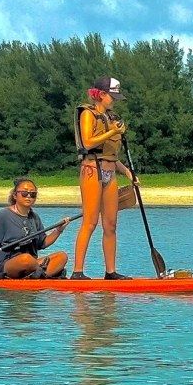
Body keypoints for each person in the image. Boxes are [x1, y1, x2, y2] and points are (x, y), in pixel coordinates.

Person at [71, 76, 137, 280]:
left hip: (110, 170)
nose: (114, 100)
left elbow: (111, 155)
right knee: (90, 222)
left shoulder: (111, 117)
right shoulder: (88, 114)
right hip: (92, 169)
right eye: (112, 96)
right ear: (100, 94)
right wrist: (111, 132)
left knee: (110, 225)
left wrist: (127, 172)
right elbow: (88, 142)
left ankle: (111, 272)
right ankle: (77, 272)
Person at [0, 177, 70, 278]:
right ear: (15, 195)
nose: (28, 197)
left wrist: (58, 230)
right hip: (7, 265)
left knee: (62, 256)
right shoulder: (4, 215)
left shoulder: (34, 217)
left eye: (33, 194)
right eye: (24, 193)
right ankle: (43, 274)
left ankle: (36, 276)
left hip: (32, 264)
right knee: (25, 259)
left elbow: (42, 243)